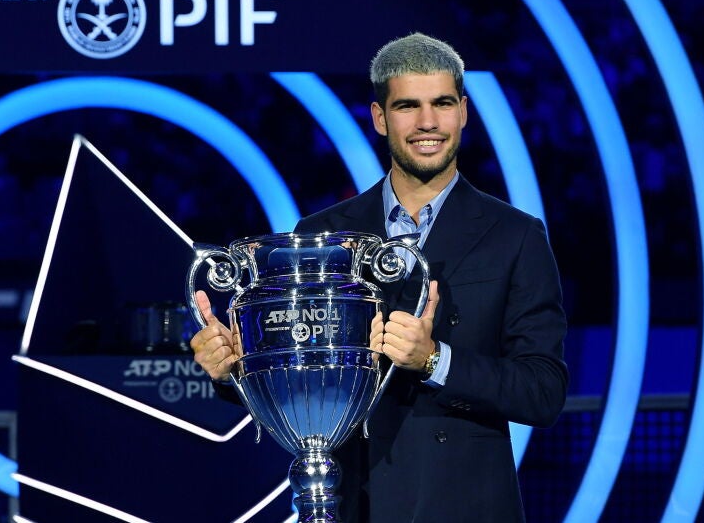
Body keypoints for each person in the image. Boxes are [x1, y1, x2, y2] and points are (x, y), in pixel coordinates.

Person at [190, 32, 568, 522]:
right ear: (380, 117)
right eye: (408, 106)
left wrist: (435, 359)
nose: (428, 122)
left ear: (464, 113)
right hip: (353, 505)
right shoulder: (319, 235)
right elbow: (299, 382)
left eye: (442, 104)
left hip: (465, 508)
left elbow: (542, 391)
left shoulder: (515, 236)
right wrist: (234, 368)